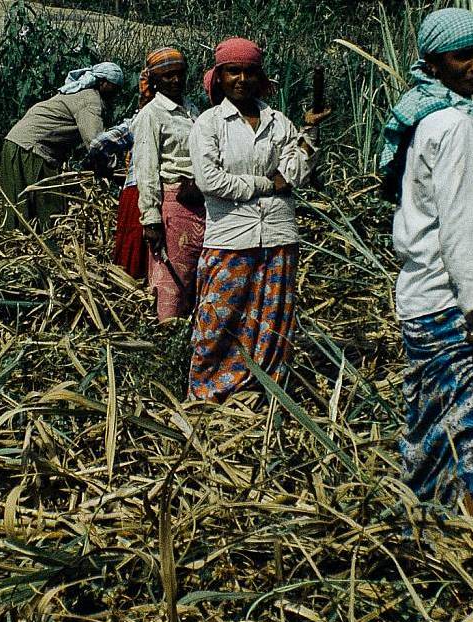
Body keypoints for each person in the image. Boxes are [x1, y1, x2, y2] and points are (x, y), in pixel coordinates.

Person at [383, 9, 473, 516]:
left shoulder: (424, 117)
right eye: (463, 56)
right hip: (455, 309)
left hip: (423, 302)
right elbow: (463, 235)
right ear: (434, 63)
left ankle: (430, 534)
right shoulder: (455, 127)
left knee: (433, 430)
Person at [186, 38, 330, 402]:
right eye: (233, 71)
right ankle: (207, 390)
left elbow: (294, 171)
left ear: (259, 77)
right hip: (230, 235)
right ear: (219, 77)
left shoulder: (277, 121)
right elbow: (210, 180)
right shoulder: (209, 124)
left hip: (279, 232)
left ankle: (260, 391)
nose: (242, 79)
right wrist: (265, 184)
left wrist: (309, 133)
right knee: (218, 320)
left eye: (250, 72)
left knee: (272, 319)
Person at [0, 61, 125, 231]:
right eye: (114, 87)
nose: (117, 93)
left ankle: (23, 248)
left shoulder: (77, 93)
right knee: (47, 210)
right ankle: (45, 250)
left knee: (19, 207)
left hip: (15, 143)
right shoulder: (90, 100)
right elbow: (96, 143)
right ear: (102, 82)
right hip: (31, 149)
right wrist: (115, 171)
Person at [130, 46, 202, 320]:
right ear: (156, 79)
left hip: (199, 199)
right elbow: (146, 168)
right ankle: (167, 332)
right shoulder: (153, 114)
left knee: (196, 272)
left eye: (179, 74)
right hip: (174, 200)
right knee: (171, 276)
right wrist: (150, 218)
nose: (175, 81)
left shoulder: (191, 109)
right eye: (168, 76)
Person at [84, 116, 143, 278]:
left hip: (148, 191)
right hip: (138, 191)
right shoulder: (141, 119)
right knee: (134, 251)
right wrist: (107, 170)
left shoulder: (190, 114)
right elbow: (99, 144)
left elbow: (99, 144)